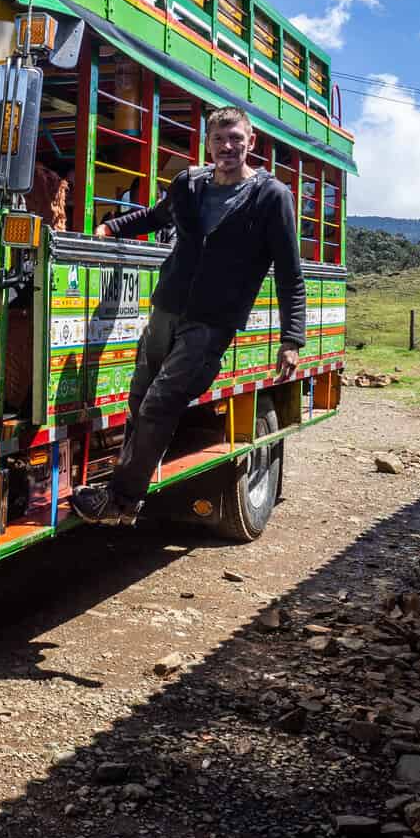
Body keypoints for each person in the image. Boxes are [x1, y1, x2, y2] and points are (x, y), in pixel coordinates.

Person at [71, 107, 305, 526]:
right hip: (168, 307)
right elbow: (153, 217)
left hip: (212, 321)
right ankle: (125, 497)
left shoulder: (272, 197)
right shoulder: (190, 184)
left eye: (236, 138)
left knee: (162, 402)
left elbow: (290, 272)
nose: (228, 147)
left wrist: (292, 338)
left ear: (251, 142)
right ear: (208, 143)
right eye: (219, 139)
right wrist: (108, 230)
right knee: (140, 398)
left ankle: (121, 499)